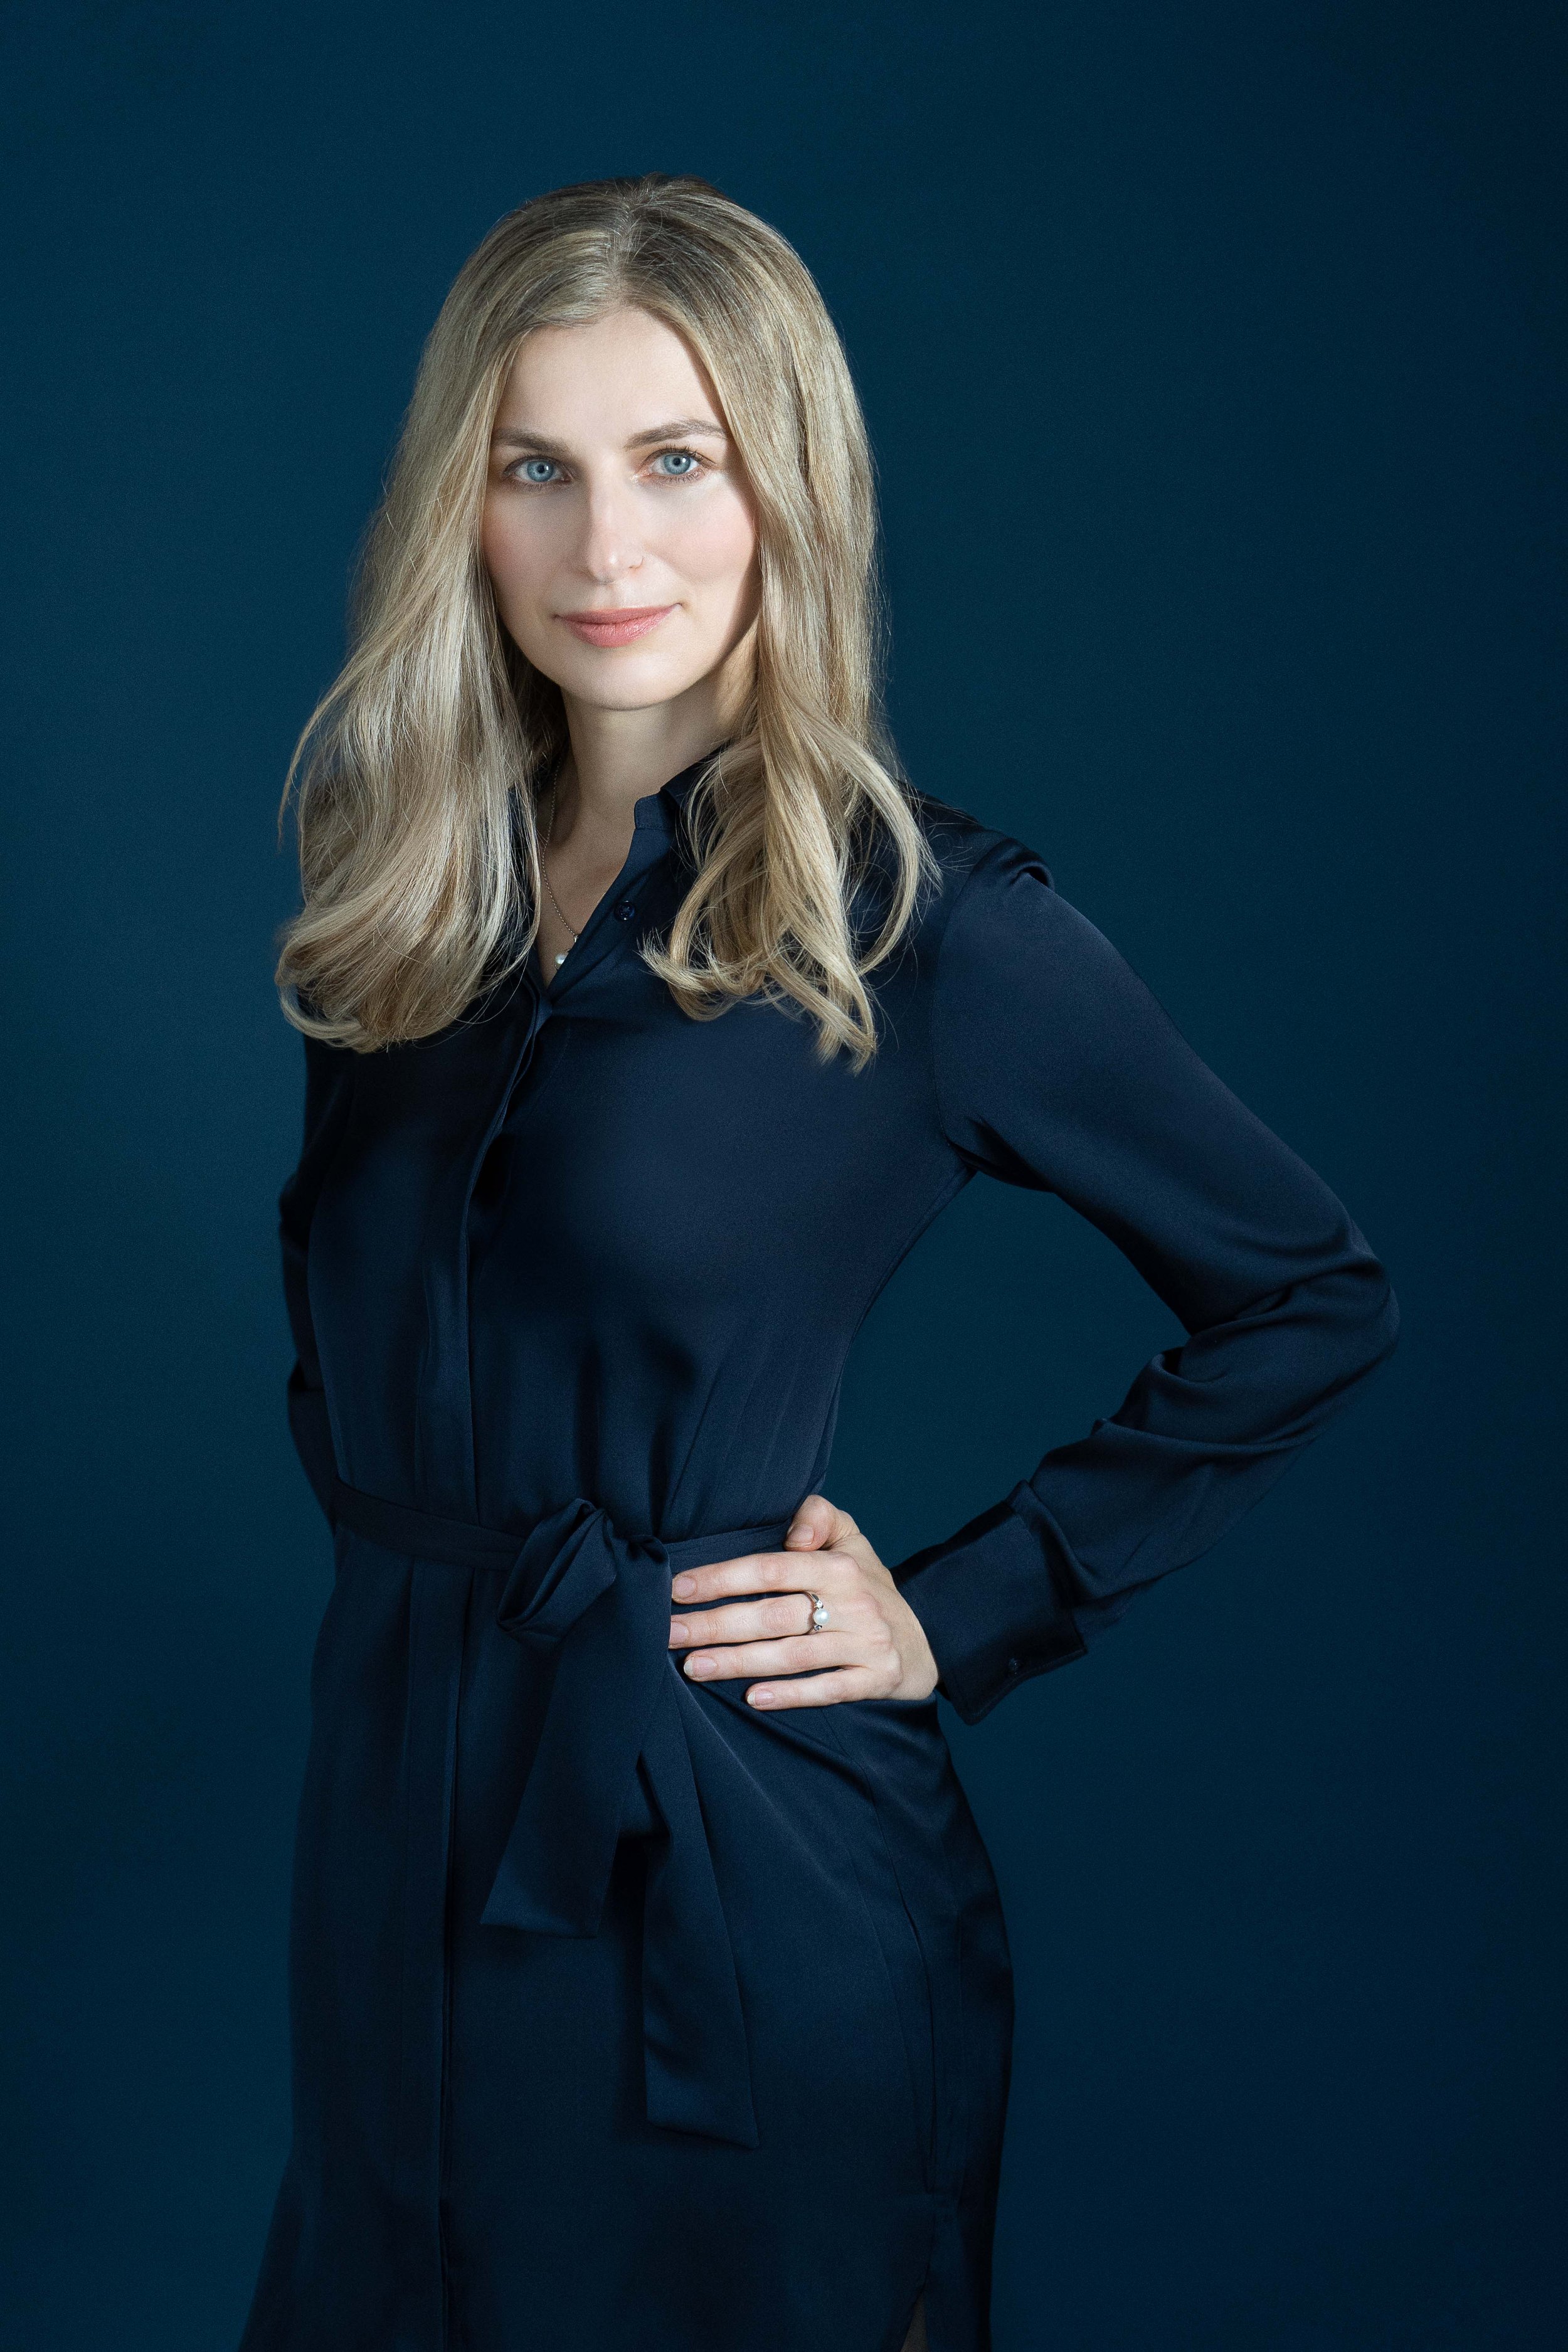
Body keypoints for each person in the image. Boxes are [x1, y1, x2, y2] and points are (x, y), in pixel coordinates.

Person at [238, 174, 1399, 2352]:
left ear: (786, 490)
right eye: (537, 471)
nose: (609, 551)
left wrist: (960, 1609)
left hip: (728, 1879)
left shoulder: (924, 923)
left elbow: (1310, 1294)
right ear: (457, 510)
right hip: (388, 1847)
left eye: (678, 462)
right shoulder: (396, 897)